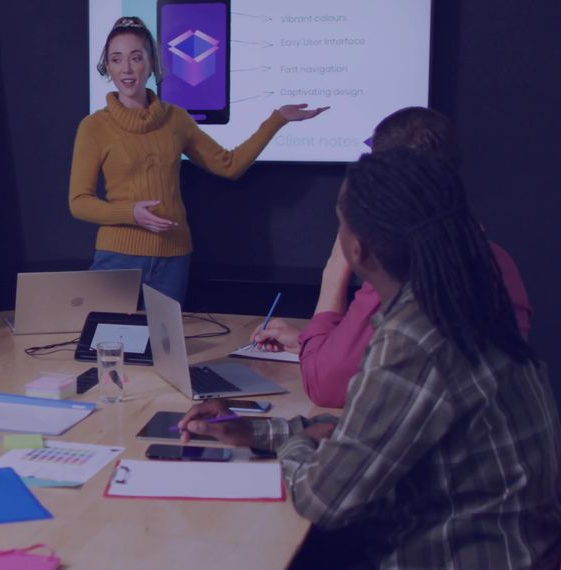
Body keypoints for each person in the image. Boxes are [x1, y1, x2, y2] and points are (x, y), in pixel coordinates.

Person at [179, 150, 561, 568]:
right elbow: (374, 429)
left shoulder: (414, 338)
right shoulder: (464, 299)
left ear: (355, 250)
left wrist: (294, 443)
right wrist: (256, 432)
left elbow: (324, 498)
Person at [250, 107, 532, 407]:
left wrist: (336, 267)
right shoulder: (496, 260)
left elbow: (326, 383)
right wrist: (309, 342)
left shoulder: (408, 276)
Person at [69, 16, 327, 304]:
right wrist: (131, 214)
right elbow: (79, 201)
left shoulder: (175, 119)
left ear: (152, 63)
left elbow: (229, 165)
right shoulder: (94, 127)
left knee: (163, 349)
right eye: (116, 60)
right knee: (107, 346)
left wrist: (277, 120)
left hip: (173, 259)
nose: (126, 69)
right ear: (108, 67)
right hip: (118, 258)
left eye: (135, 57)